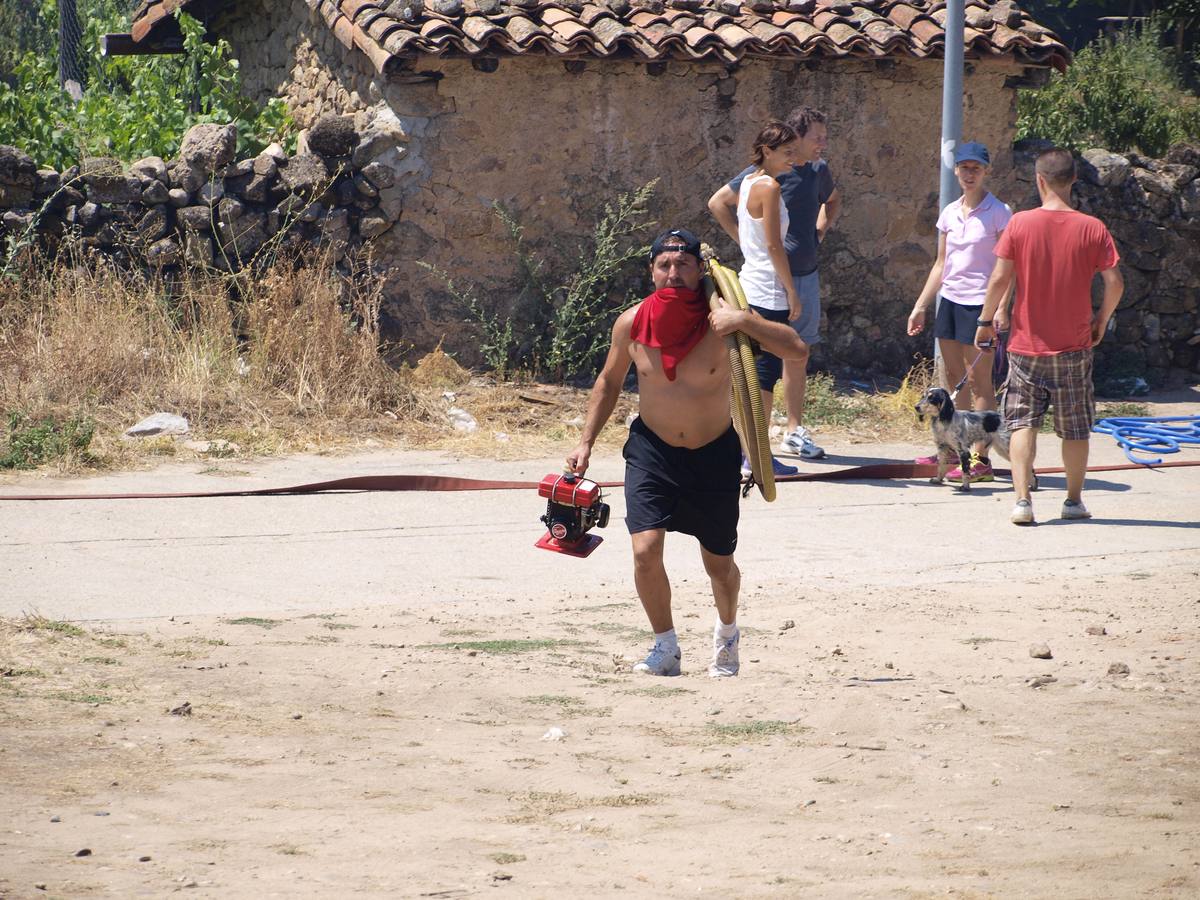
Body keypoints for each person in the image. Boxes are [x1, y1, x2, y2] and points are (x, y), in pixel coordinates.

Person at [566, 228, 808, 677]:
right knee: (644, 550)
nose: (673, 273)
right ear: (652, 272)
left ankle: (728, 635)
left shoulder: (725, 321)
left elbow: (797, 349)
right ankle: (665, 647)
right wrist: (585, 442)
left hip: (713, 453)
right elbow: (609, 381)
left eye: (683, 265)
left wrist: (745, 322)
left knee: (718, 563)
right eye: (664, 265)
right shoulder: (632, 322)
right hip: (651, 450)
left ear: (700, 271)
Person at [974, 148, 1124, 525]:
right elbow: (1115, 282)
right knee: (1075, 427)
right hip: (1074, 346)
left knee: (1023, 423)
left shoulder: (1020, 224)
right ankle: (1073, 501)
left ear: (1039, 180)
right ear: (1074, 180)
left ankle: (1023, 501)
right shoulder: (1093, 227)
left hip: (1026, 347)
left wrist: (985, 320)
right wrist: (1101, 320)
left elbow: (999, 279)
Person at [708, 106, 841, 460]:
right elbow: (766, 240)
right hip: (771, 284)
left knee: (782, 359)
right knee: (767, 366)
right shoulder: (765, 181)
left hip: (782, 277)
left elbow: (831, 201)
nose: (821, 145)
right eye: (816, 137)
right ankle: (754, 453)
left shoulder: (802, 173)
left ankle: (776, 439)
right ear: (780, 146)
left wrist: (817, 234)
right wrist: (752, 250)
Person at [907, 141, 1012, 482]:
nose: (969, 174)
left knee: (981, 383)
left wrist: (1000, 309)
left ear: (986, 171)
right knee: (952, 378)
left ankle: (980, 459)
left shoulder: (999, 212)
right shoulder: (950, 212)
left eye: (976, 168)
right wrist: (921, 305)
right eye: (964, 168)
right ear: (956, 171)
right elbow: (941, 263)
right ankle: (954, 449)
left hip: (981, 304)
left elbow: (1009, 266)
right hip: (950, 301)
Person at [734, 121, 806, 478]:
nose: (793, 158)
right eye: (786, 152)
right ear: (767, 151)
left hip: (749, 282)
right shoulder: (770, 187)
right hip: (767, 289)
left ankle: (747, 452)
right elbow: (774, 245)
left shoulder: (748, 181)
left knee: (751, 375)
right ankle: (757, 457)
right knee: (765, 375)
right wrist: (792, 290)